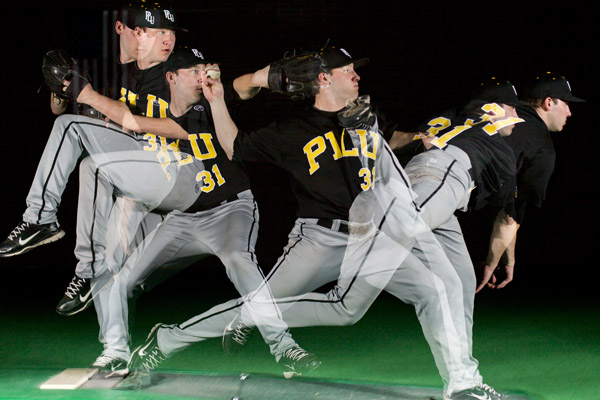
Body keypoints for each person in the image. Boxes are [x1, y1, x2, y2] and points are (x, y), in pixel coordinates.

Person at [128, 44, 514, 399]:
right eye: (348, 70)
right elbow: (235, 146)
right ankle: (166, 340)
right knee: (261, 305)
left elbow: (393, 138)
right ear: (324, 80)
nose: (357, 76)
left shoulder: (366, 113)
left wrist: (417, 137)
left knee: (431, 290)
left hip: (371, 237)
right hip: (318, 239)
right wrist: (215, 100)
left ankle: (461, 384)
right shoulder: (292, 130)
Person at [75, 46, 320, 378]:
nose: (201, 75)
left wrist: (265, 75)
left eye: (204, 68)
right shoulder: (155, 118)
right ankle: (116, 352)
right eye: (193, 70)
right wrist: (78, 95)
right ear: (171, 78)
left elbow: (246, 85)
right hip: (183, 219)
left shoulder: (212, 104)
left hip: (230, 210)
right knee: (122, 278)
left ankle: (284, 347)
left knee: (239, 261)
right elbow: (125, 123)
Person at [0, 6, 183, 319]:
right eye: (157, 31)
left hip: (168, 173)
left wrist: (87, 98)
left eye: (170, 31)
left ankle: (41, 218)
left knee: (71, 128)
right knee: (89, 165)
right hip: (133, 176)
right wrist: (62, 91)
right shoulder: (123, 72)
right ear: (136, 34)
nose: (167, 38)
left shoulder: (182, 69)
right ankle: (88, 276)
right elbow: (68, 109)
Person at [477, 72, 585, 292]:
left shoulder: (509, 117)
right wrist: (491, 264)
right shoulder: (542, 148)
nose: (569, 112)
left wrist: (508, 258)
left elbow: (511, 208)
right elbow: (510, 218)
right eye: (565, 103)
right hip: (447, 191)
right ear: (548, 102)